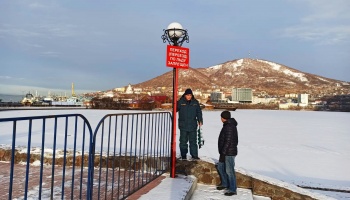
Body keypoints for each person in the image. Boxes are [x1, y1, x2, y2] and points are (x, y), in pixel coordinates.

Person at [216, 110, 238, 196]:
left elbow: (228, 141)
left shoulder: (229, 126)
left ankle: (232, 189)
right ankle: (225, 184)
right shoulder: (227, 125)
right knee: (221, 167)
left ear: (223, 118)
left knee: (229, 171)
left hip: (228, 152)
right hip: (225, 151)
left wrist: (223, 152)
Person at [177, 88, 203, 160]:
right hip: (183, 125)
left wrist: (200, 120)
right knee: (183, 141)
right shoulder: (180, 102)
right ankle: (183, 155)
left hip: (192, 125)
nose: (189, 96)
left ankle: (194, 155)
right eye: (187, 95)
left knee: (193, 141)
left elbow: (199, 112)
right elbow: (175, 109)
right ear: (185, 95)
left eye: (190, 95)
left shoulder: (195, 102)